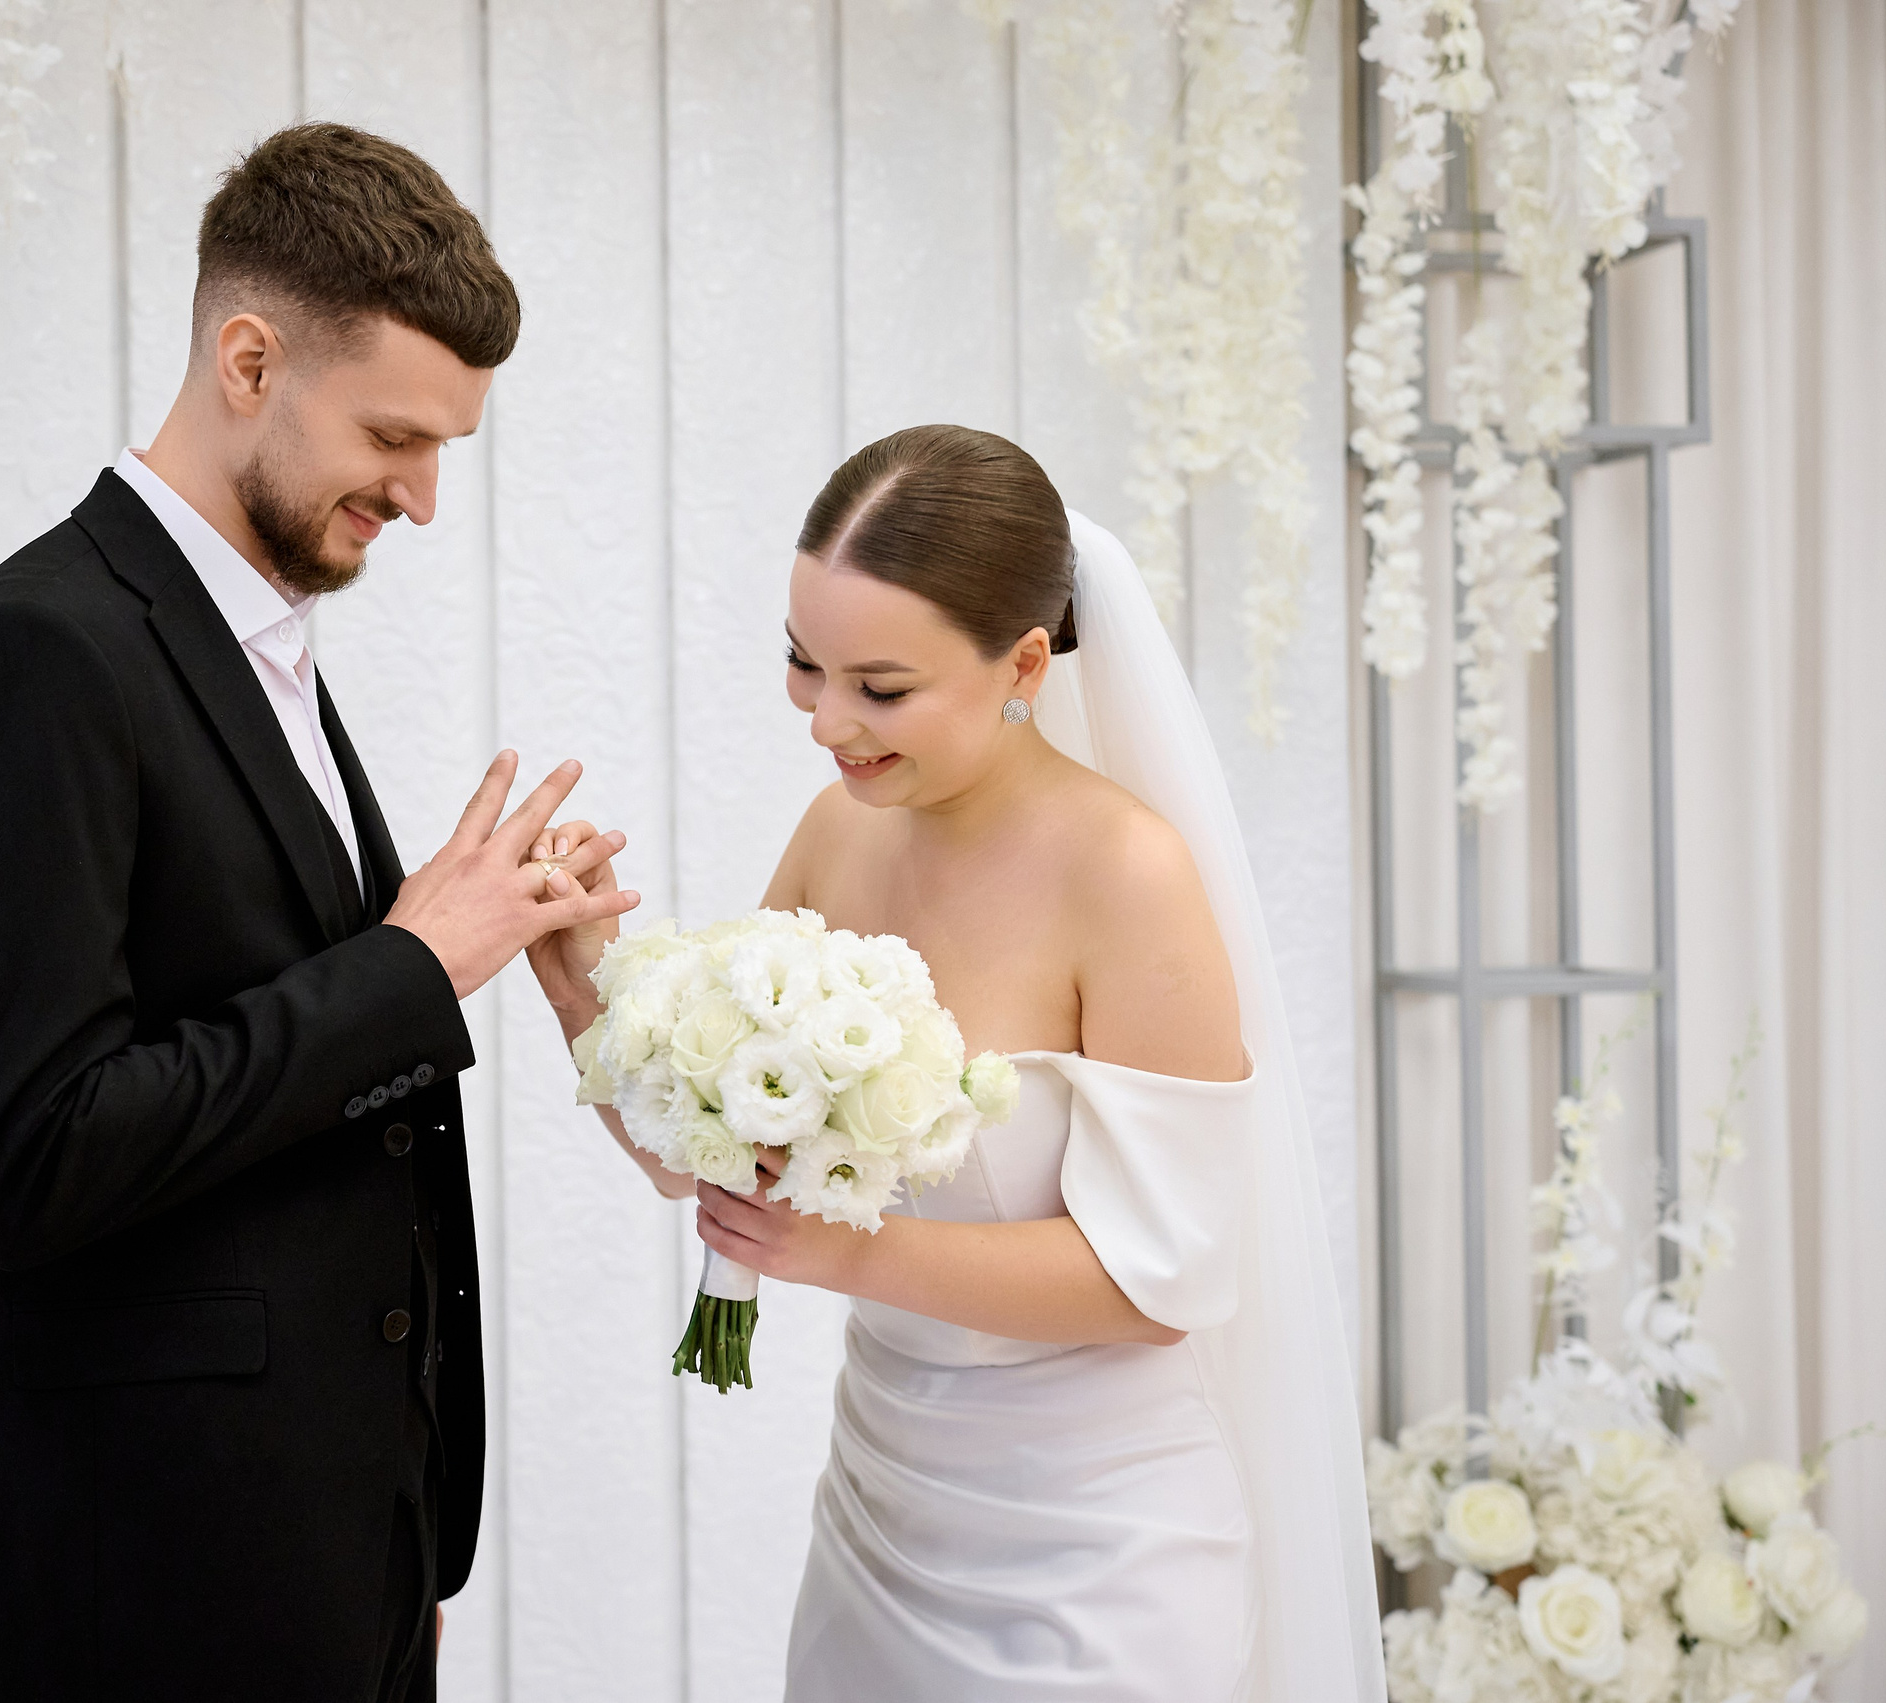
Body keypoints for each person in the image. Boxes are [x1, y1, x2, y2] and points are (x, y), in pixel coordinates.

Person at [0, 123, 636, 1702]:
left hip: (323, 1551)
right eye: (394, 436)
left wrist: (388, 1522)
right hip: (137, 1580)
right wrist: (412, 964)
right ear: (250, 358)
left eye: (446, 449)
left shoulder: (249, 637)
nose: (423, 497)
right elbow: (28, 1156)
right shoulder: (39, 655)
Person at [531, 425, 1385, 1701]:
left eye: (879, 687)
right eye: (802, 662)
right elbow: (707, 1163)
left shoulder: (1125, 872)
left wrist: (847, 1252)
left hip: (1096, 1549)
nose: (827, 722)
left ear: (1024, 663)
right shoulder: (838, 829)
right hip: (881, 1516)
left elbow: (1162, 1280)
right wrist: (582, 984)